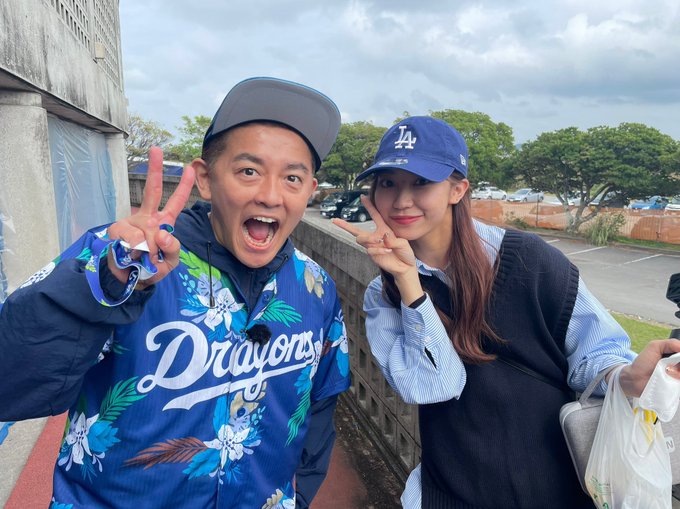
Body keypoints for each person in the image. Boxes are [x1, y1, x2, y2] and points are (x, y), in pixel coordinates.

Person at [0, 77, 351, 509]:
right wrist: (108, 284)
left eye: (292, 178)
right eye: (249, 171)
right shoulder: (125, 257)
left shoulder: (317, 288)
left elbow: (320, 408)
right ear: (205, 179)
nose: (270, 195)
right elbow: (11, 383)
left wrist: (299, 499)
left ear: (310, 191)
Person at [333, 115, 680, 509]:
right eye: (388, 183)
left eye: (421, 182)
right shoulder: (384, 295)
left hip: (555, 489)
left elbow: (597, 350)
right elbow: (432, 386)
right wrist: (409, 284)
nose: (401, 201)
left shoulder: (530, 262)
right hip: (452, 491)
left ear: (457, 189)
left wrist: (628, 377)